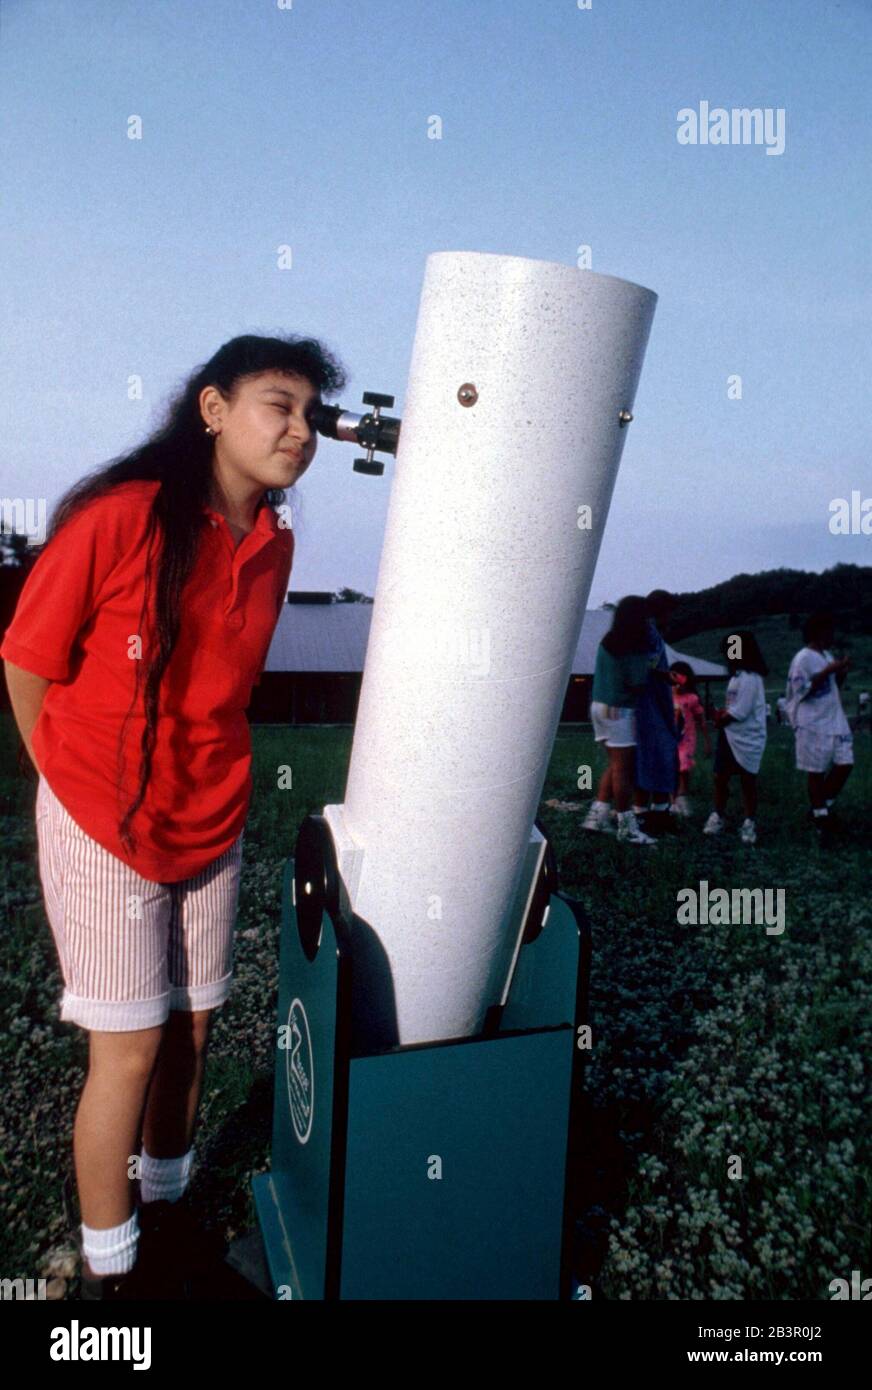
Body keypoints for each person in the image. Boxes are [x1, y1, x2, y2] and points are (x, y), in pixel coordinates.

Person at [0, 333, 347, 1299]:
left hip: (212, 813)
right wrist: (63, 781)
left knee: (194, 1031)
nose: (301, 429)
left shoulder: (274, 544)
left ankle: (166, 1216)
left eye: (312, 414)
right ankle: (112, 1277)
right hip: (103, 819)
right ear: (212, 408)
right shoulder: (119, 519)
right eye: (280, 404)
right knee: (131, 1047)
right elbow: (26, 661)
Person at [583, 595, 657, 845]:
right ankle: (627, 827)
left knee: (615, 765)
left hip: (599, 706)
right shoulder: (635, 644)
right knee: (625, 770)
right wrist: (651, 670)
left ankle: (596, 817)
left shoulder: (609, 641)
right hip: (621, 710)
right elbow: (637, 682)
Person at [785, 611, 853, 842]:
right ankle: (820, 817)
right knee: (816, 770)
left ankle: (820, 805)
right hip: (812, 722)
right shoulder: (803, 658)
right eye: (829, 630)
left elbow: (834, 686)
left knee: (845, 764)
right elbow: (801, 690)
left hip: (835, 718)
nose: (832, 634)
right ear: (818, 632)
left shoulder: (826, 654)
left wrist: (841, 672)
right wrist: (828, 671)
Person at [703, 631, 768, 845]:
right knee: (719, 777)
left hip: (747, 736)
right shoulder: (737, 677)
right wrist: (722, 713)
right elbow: (733, 707)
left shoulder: (751, 677)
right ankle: (718, 815)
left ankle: (749, 821)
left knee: (747, 780)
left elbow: (741, 711)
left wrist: (722, 718)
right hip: (729, 735)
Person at [632, 590, 681, 835]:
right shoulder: (649, 632)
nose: (670, 619)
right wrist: (665, 676)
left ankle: (656, 809)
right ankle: (648, 813)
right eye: (669, 613)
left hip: (654, 702)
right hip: (648, 704)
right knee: (657, 753)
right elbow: (645, 666)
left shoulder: (651, 633)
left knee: (655, 754)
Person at [669, 660, 711, 817]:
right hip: (671, 739)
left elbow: (701, 720)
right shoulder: (668, 697)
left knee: (684, 766)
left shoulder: (692, 698)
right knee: (672, 768)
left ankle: (683, 796)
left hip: (687, 739)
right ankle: (672, 801)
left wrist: (707, 741)